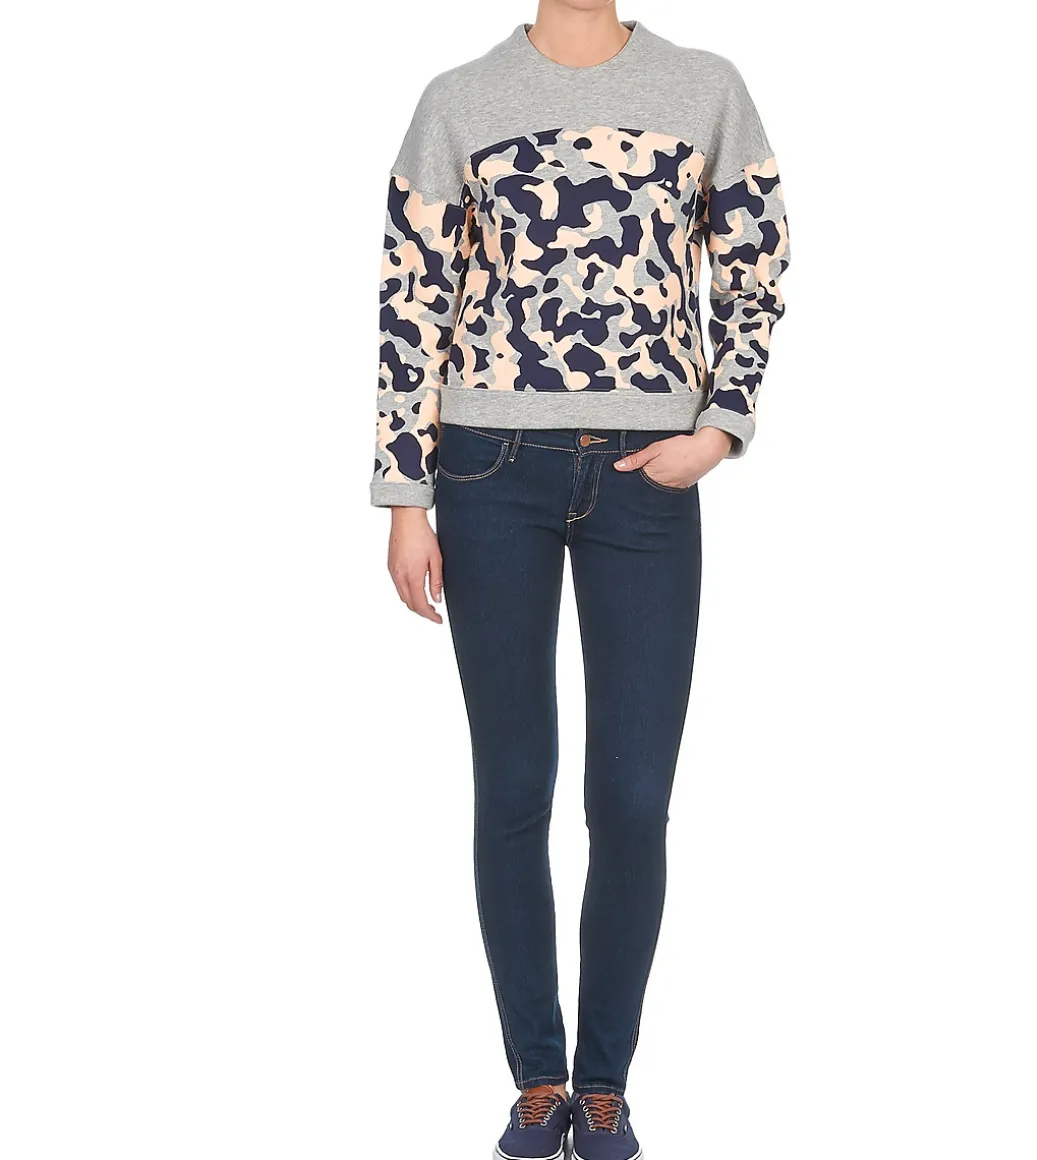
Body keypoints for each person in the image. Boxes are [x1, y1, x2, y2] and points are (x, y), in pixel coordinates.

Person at [371, 2, 789, 1156]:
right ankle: (538, 1079)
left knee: (632, 798)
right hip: (485, 468)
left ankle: (604, 1082)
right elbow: (410, 297)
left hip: (648, 474)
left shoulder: (703, 88)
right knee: (513, 786)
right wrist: (403, 493)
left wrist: (719, 427)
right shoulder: (456, 101)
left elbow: (756, 262)